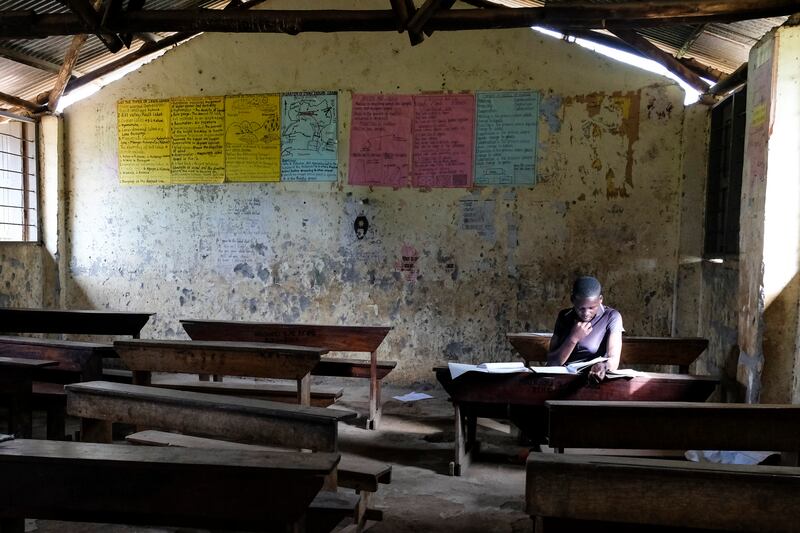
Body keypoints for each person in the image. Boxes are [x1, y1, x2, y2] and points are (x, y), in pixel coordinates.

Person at [547, 276, 623, 383]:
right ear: (573, 300)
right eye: (581, 308)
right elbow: (552, 362)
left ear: (600, 299)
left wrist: (604, 366)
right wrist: (573, 338)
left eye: (592, 308)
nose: (586, 313)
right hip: (561, 378)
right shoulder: (564, 316)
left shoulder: (611, 317)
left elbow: (614, 358)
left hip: (590, 379)